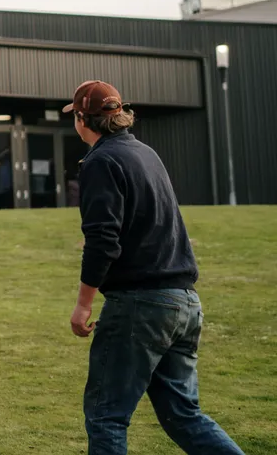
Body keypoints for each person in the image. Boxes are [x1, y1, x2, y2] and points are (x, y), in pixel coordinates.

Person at [65, 80, 243, 455]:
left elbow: (103, 240)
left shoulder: (100, 161)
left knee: (106, 415)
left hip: (140, 304)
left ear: (82, 118)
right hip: (184, 300)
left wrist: (83, 304)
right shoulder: (145, 152)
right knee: (184, 415)